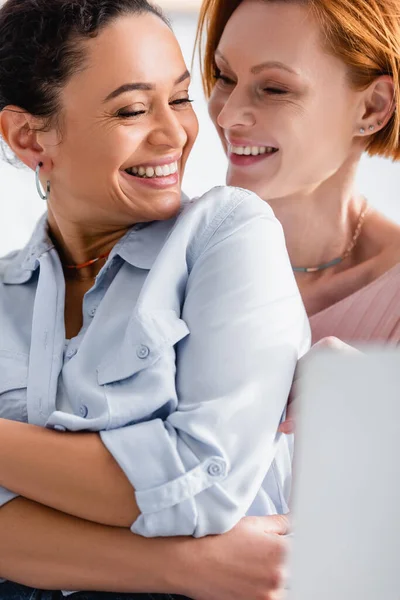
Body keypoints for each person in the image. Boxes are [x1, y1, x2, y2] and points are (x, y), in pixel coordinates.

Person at [0, 0, 310, 599]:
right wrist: (183, 565)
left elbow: (201, 485)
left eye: (181, 98)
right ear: (28, 135)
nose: (177, 134)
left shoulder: (229, 233)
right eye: (134, 109)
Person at [197, 0, 400, 352]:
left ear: (373, 107)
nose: (227, 116)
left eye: (274, 89)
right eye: (225, 77)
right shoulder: (169, 255)